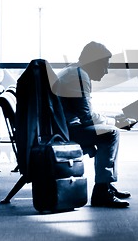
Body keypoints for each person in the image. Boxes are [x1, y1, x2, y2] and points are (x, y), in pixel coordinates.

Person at [53, 41, 131, 208]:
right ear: (94, 62)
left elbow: (86, 113)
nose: (106, 70)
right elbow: (88, 118)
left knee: (109, 130)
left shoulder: (74, 72)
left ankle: (106, 186)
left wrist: (114, 118)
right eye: (104, 65)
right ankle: (102, 191)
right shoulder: (79, 77)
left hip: (63, 127)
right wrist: (117, 122)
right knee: (111, 134)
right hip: (67, 131)